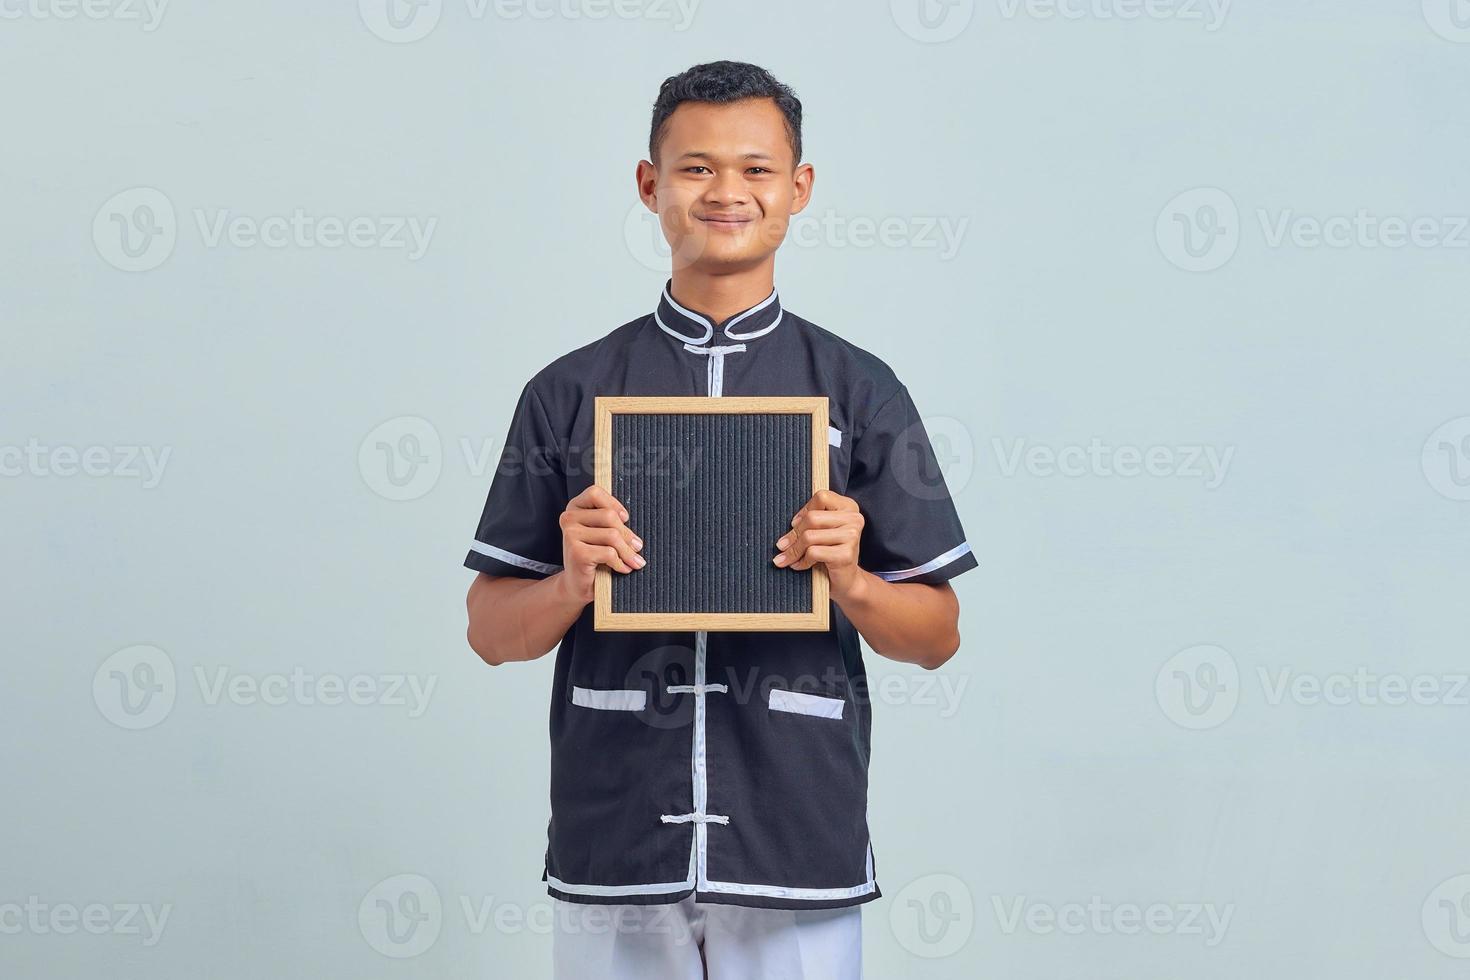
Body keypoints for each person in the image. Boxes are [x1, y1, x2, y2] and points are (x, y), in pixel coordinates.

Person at [463, 60, 976, 980]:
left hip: (795, 826)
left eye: (756, 168)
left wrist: (853, 581)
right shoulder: (569, 392)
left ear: (799, 189)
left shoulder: (860, 390)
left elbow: (937, 635)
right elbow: (490, 632)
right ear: (650, 185)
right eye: (696, 168)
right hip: (616, 831)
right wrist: (571, 581)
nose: (727, 192)